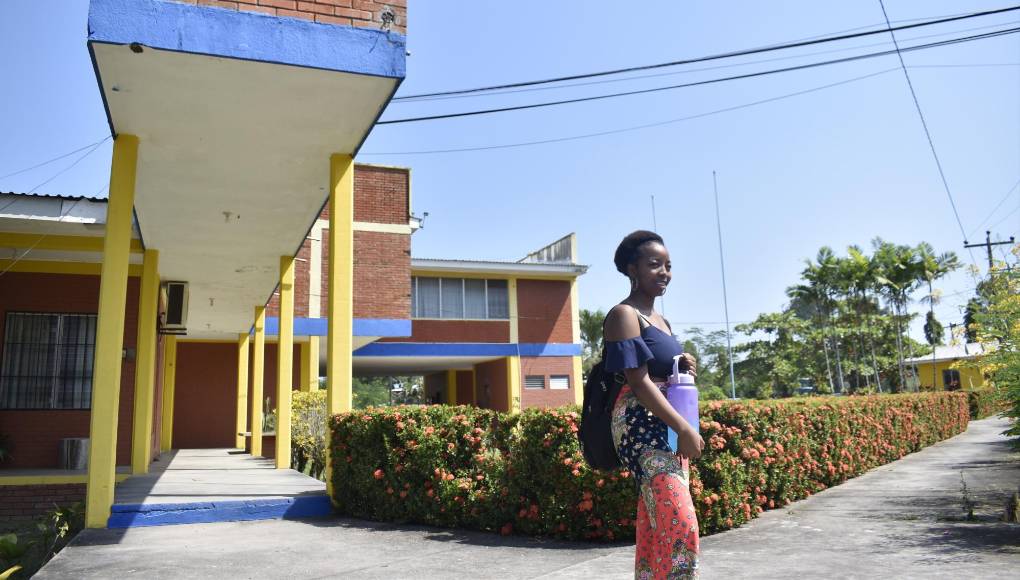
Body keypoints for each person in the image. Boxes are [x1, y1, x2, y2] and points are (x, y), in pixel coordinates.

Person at [604, 230, 704, 579]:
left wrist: (682, 364)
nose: (664, 272)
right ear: (633, 269)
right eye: (654, 264)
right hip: (640, 427)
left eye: (668, 266)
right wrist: (683, 427)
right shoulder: (624, 314)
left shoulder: (663, 321)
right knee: (680, 523)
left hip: (668, 424)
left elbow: (663, 373)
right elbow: (638, 381)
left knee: (655, 521)